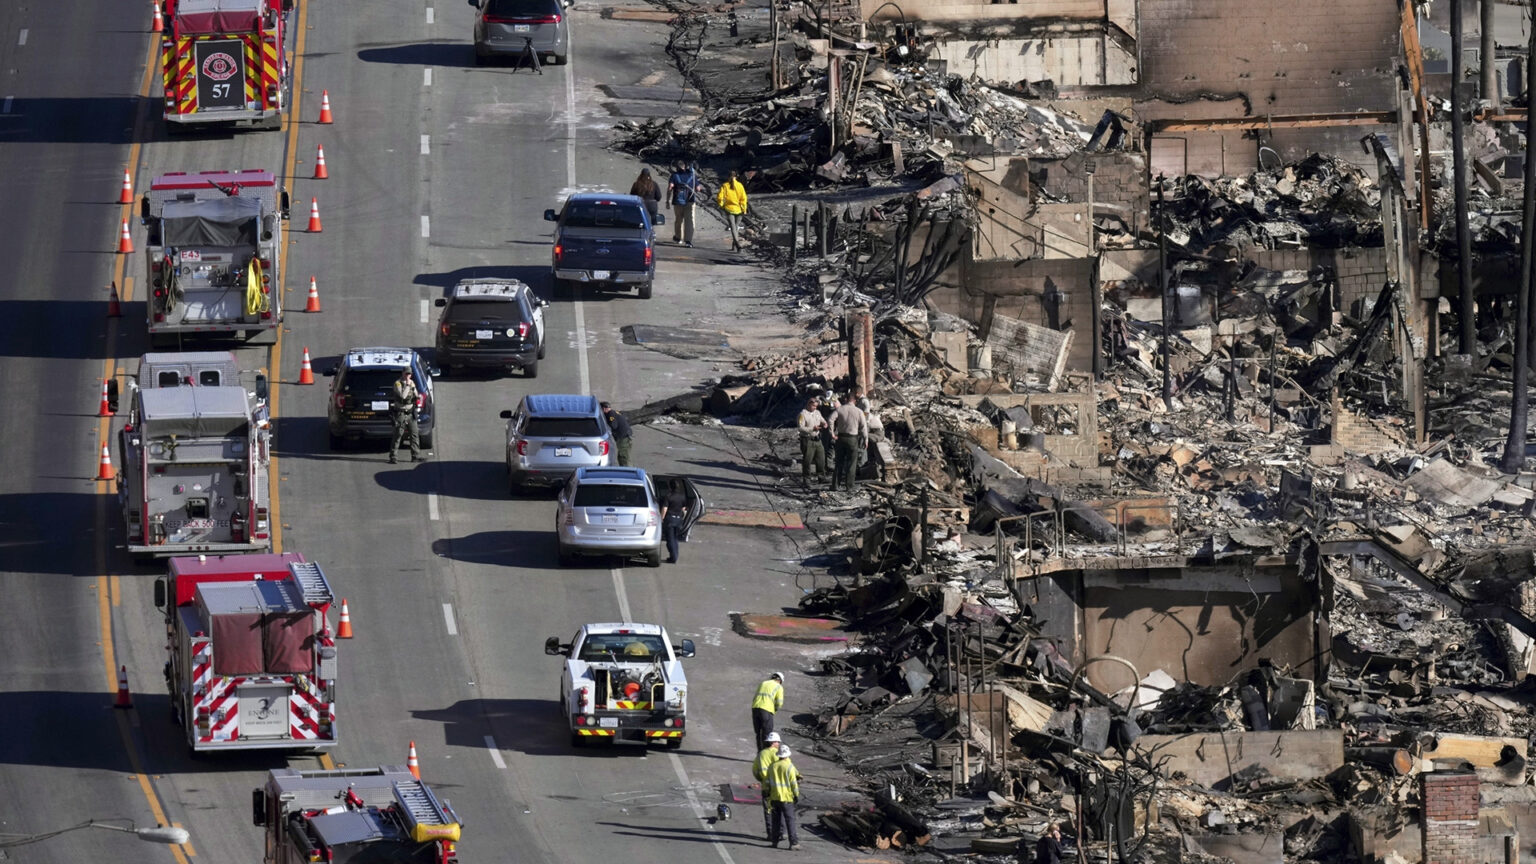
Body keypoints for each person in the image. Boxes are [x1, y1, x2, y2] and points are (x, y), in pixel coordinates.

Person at [766, 745, 802, 850]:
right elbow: (793, 784)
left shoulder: (772, 766)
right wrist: (796, 795)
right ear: (787, 755)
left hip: (774, 798)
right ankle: (793, 843)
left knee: (776, 821)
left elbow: (767, 782)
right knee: (790, 820)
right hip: (787, 799)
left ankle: (774, 842)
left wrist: (768, 794)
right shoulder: (789, 767)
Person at [830, 393, 867, 492]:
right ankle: (849, 486)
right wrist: (865, 439)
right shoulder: (859, 411)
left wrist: (832, 433)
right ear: (855, 401)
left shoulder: (840, 409)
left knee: (839, 462)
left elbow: (830, 419)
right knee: (852, 463)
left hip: (841, 437)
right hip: (852, 438)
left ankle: (835, 485)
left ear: (846, 400)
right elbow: (864, 427)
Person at [752, 731, 782, 840]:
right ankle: (780, 833)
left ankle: (771, 834)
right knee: (780, 809)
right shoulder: (779, 754)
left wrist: (762, 780)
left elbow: (755, 770)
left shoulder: (761, 754)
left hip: (766, 787)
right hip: (779, 787)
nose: (778, 744)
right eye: (778, 742)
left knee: (768, 810)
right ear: (773, 742)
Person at [388, 368, 421, 464]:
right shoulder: (398, 383)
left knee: (414, 434)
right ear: (402, 373)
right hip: (401, 413)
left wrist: (417, 396)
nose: (408, 376)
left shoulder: (412, 382)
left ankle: (415, 456)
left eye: (409, 374)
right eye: (406, 373)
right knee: (398, 434)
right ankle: (393, 456)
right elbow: (403, 396)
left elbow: (415, 393)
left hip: (410, 412)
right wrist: (407, 385)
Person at [796, 396, 828, 486]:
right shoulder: (802, 414)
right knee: (807, 460)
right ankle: (806, 479)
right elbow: (800, 428)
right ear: (809, 404)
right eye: (813, 406)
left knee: (821, 458)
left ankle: (821, 477)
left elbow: (822, 420)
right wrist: (812, 428)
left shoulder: (817, 412)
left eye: (816, 406)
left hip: (817, 439)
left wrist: (825, 423)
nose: (815, 407)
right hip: (807, 439)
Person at [667, 160, 700, 247]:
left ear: (677, 168)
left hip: (677, 202)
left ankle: (678, 237)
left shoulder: (674, 176)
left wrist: (667, 200)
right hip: (690, 201)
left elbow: (670, 187)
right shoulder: (692, 175)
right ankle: (688, 241)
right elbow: (698, 188)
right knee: (689, 221)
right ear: (685, 166)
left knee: (679, 219)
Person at [716, 168, 748, 252]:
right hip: (739, 209)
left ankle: (737, 244)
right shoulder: (740, 185)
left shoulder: (725, 185)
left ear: (728, 177)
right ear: (736, 177)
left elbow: (719, 197)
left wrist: (721, 205)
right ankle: (735, 245)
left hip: (729, 209)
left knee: (733, 227)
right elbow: (744, 198)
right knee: (736, 227)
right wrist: (744, 209)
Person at [751, 671, 784, 748]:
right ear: (780, 680)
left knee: (758, 733)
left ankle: (760, 753)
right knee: (767, 733)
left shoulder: (763, 683)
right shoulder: (778, 686)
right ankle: (766, 754)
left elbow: (755, 697)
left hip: (755, 708)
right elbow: (779, 703)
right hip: (766, 710)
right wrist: (775, 709)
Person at [659, 479, 688, 564]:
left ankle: (673, 557)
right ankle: (675, 555)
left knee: (670, 539)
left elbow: (664, 509)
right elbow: (683, 508)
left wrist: (661, 519)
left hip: (670, 519)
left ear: (670, 486)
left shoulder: (668, 496)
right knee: (675, 538)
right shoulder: (682, 496)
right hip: (678, 519)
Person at [601, 402, 633, 466]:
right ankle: (625, 471)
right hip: (624, 436)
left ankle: (628, 473)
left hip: (624, 437)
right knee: (621, 456)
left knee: (624, 457)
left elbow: (613, 425)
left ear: (604, 409)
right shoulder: (613, 412)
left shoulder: (611, 414)